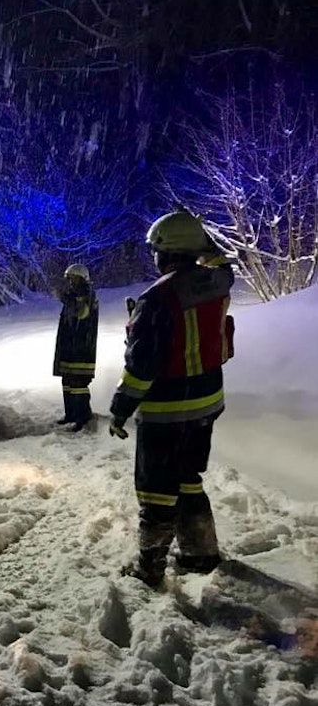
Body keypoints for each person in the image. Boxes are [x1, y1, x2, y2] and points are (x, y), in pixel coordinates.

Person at [109, 209, 235, 588]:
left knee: (156, 490)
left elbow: (142, 366)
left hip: (166, 410)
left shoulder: (157, 298)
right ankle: (200, 553)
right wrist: (203, 244)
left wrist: (120, 408)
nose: (154, 256)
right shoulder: (217, 281)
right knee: (187, 478)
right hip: (206, 404)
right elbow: (223, 264)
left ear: (165, 253)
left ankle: (150, 568)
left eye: (156, 250)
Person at [53, 263, 99, 431]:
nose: (71, 282)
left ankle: (83, 418)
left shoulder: (87, 295)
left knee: (78, 384)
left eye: (74, 278)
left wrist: (64, 298)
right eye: (70, 278)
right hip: (70, 349)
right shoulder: (75, 295)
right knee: (67, 381)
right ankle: (71, 414)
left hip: (81, 349)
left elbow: (81, 313)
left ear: (82, 279)